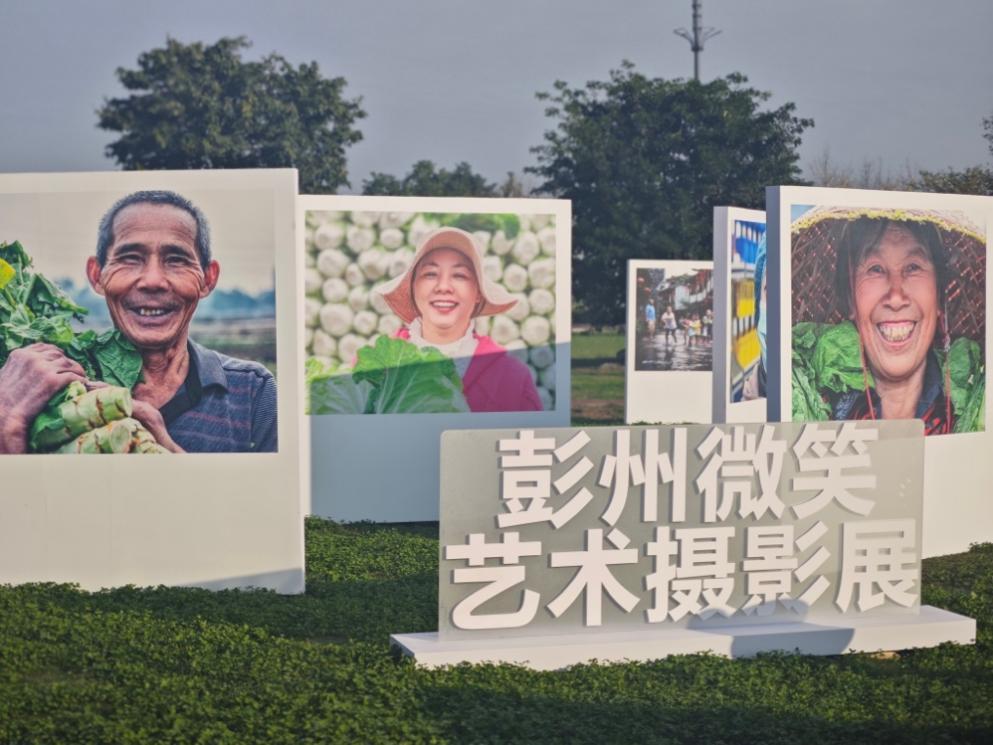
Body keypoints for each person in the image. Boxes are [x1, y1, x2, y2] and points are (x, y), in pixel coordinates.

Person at [0, 190, 277, 454]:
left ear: (208, 278)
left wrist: (166, 451)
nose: (153, 281)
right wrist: (7, 419)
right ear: (97, 275)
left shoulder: (254, 392)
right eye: (130, 258)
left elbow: (270, 502)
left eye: (177, 259)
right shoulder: (36, 388)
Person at [793, 208, 986, 435]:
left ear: (939, 298)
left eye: (913, 267)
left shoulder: (981, 404)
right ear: (851, 300)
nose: (895, 297)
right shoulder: (804, 399)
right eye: (875, 269)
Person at [375, 227, 542, 412]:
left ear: (478, 293)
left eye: (460, 275)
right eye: (430, 274)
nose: (443, 287)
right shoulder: (376, 366)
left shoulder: (512, 377)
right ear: (413, 288)